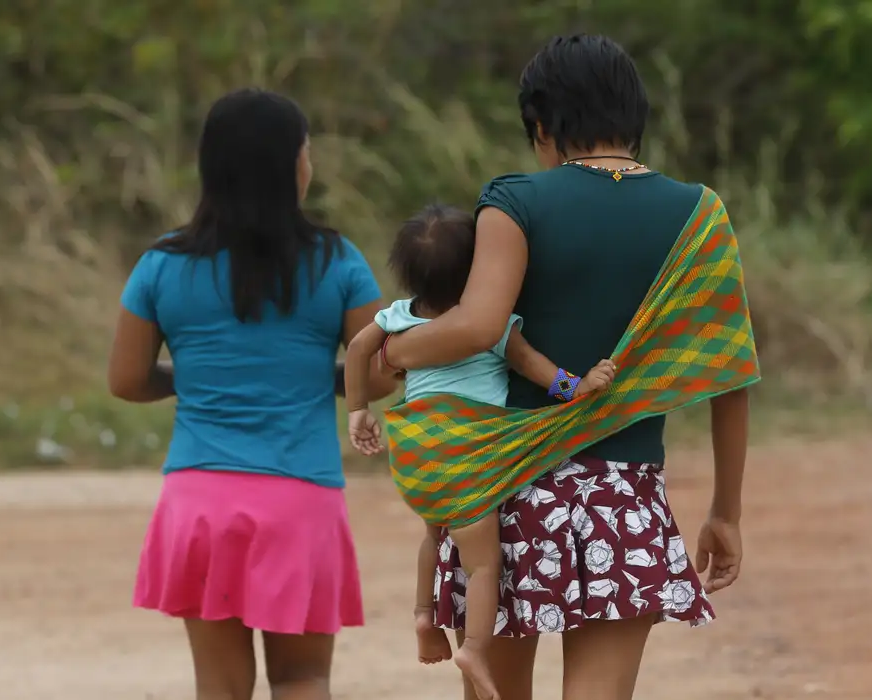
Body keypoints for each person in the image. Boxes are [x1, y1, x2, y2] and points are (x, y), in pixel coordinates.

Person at [379, 35, 752, 700]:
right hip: (626, 497)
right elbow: (728, 376)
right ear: (634, 117)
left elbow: (480, 324)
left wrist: (393, 352)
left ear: (543, 127)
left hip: (510, 487)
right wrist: (726, 510)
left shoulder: (514, 201)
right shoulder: (699, 215)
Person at [106, 88, 396, 700]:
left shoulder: (161, 263)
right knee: (302, 678)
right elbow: (383, 371)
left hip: (199, 499)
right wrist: (317, 377)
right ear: (294, 165)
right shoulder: (337, 261)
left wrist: (197, 378)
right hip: (299, 499)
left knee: (220, 687)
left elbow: (127, 380)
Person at [342, 204, 617, 693]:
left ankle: (425, 618)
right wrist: (579, 386)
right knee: (483, 562)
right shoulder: (491, 327)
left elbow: (360, 350)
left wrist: (358, 409)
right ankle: (474, 647)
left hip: (418, 457)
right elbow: (536, 368)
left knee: (434, 536)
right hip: (467, 459)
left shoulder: (398, 318)